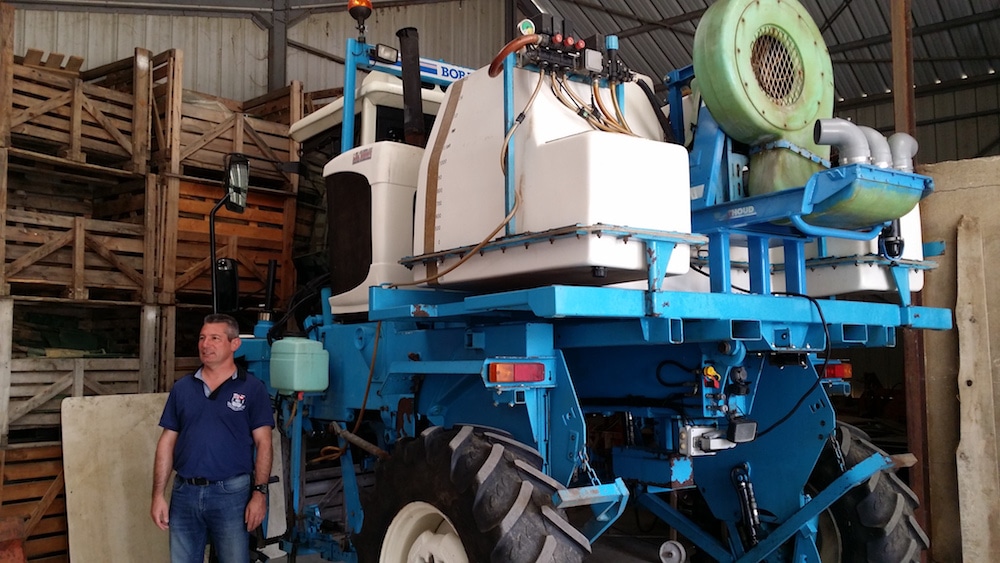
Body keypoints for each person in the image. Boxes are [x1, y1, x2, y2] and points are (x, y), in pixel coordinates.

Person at [151, 313, 274, 563]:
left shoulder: (252, 388)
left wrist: (260, 494)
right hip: (184, 493)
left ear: (234, 344)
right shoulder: (182, 388)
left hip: (231, 494)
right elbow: (167, 441)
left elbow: (264, 443)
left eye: (215, 338)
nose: (205, 344)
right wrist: (158, 495)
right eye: (202, 338)